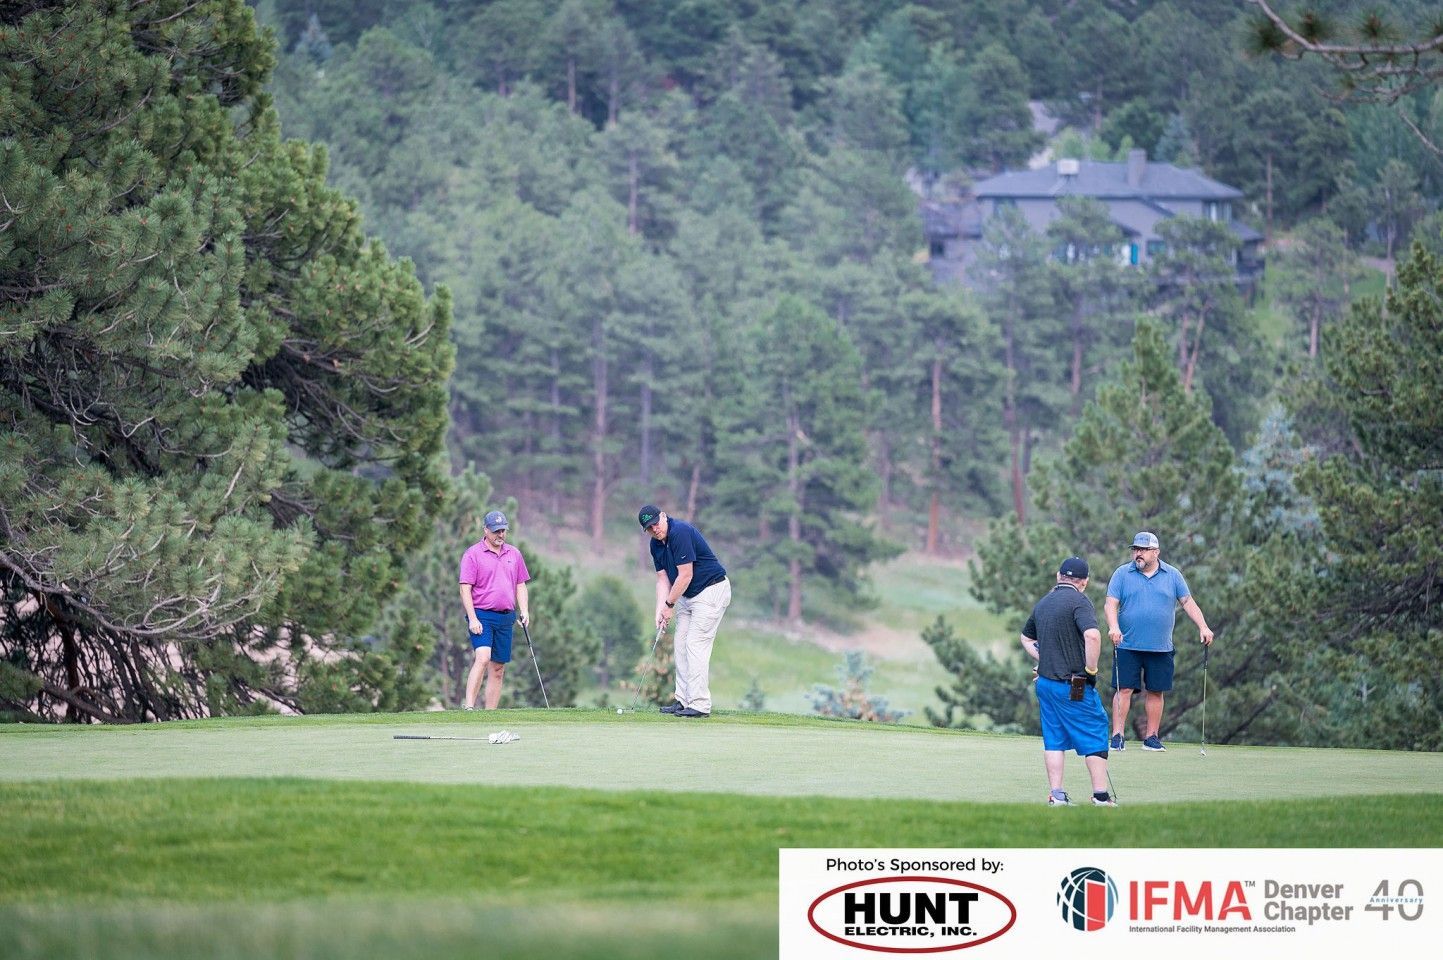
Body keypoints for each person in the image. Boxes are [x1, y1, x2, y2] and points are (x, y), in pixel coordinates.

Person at [1020, 556, 1116, 807]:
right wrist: (1091, 670)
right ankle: (1100, 796)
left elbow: (1026, 638)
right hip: (1074, 684)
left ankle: (1057, 794)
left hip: (1045, 684)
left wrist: (1047, 657)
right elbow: (1093, 636)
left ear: (1058, 576)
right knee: (1095, 731)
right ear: (1084, 582)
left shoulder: (1044, 602)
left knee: (1054, 738)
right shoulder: (1079, 601)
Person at [1105, 531, 1214, 752]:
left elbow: (1188, 602)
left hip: (1160, 646)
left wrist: (1203, 626)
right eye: (1135, 549)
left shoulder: (1172, 575)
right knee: (1123, 689)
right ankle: (1117, 736)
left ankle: (1152, 737)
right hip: (1127, 644)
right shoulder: (1122, 574)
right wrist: (1114, 627)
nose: (1138, 554)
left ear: (1156, 552)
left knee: (1156, 691)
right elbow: (1110, 604)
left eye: (1143, 550)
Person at [638, 504, 731, 718]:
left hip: (711, 590)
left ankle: (699, 704)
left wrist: (669, 606)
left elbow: (685, 575)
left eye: (656, 524)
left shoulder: (680, 531)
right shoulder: (656, 545)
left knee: (694, 644)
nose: (655, 530)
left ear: (663, 516)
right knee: (680, 643)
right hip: (688, 595)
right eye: (649, 528)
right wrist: (660, 609)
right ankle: (683, 700)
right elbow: (663, 579)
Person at [458, 510, 531, 710]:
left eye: (503, 531)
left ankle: (490, 713)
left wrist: (524, 610)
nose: (500, 535)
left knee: (498, 668)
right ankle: (469, 707)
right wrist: (472, 619)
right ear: (486, 530)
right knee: (483, 658)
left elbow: (520, 584)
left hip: (506, 617)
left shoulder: (514, 554)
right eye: (496, 531)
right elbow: (465, 588)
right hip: (482, 615)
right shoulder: (473, 554)